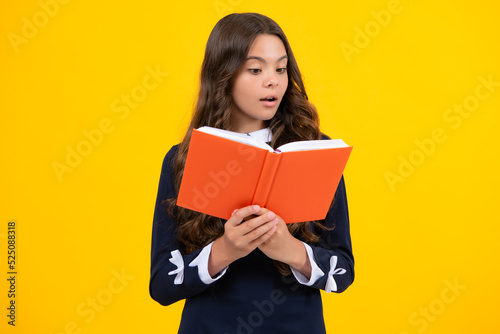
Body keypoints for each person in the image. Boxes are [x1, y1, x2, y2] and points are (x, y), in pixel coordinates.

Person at [149, 12, 354, 334]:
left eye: (281, 68)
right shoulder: (182, 159)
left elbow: (343, 273)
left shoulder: (315, 151)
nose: (272, 80)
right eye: (255, 69)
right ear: (224, 76)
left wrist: (291, 250)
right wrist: (224, 251)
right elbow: (161, 285)